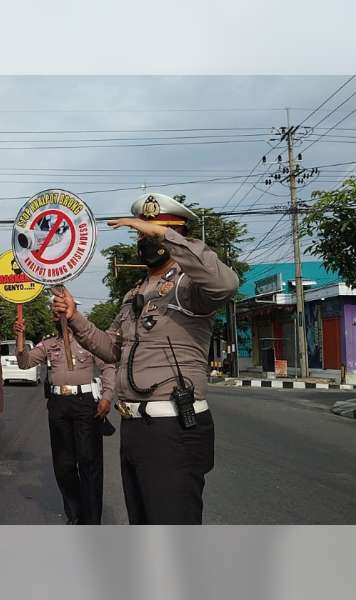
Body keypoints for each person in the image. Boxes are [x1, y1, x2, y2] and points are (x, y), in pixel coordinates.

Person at [52, 192, 239, 525]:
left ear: (176, 234)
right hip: (136, 429)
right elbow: (111, 349)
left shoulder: (190, 286)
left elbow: (226, 283)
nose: (144, 239)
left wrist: (163, 235)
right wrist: (75, 316)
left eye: (150, 231)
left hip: (174, 427)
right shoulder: (134, 293)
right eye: (140, 233)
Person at [14, 313, 115, 525]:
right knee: (63, 465)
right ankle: (75, 514)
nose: (58, 319)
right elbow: (25, 363)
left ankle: (92, 519)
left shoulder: (89, 342)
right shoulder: (49, 344)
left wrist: (106, 396)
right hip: (59, 405)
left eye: (62, 315)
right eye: (55, 316)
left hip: (85, 403)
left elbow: (108, 366)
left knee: (89, 462)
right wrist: (20, 338)